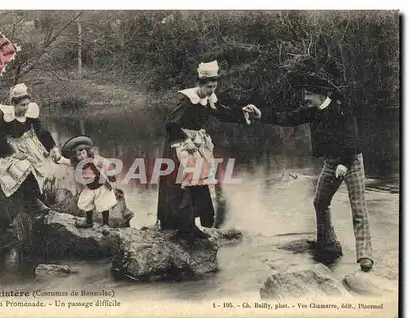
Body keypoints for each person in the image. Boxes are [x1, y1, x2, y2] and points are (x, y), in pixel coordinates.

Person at [244, 72, 374, 272]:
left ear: (320, 95)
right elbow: (287, 118)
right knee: (320, 202)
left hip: (351, 160)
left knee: (358, 208)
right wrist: (261, 115)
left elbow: (351, 138)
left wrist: (345, 164)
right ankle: (327, 243)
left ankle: (365, 256)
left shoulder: (342, 109)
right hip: (331, 162)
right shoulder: (312, 110)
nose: (304, 98)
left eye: (307, 94)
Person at [157, 60, 251, 242]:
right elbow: (171, 124)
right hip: (180, 146)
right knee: (184, 184)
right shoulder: (188, 100)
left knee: (199, 181)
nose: (212, 90)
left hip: (195, 145)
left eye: (214, 86)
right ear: (200, 84)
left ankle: (197, 223)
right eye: (208, 87)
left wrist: (242, 111)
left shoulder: (209, 99)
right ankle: (185, 226)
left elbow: (223, 113)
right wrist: (186, 140)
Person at [0, 83, 62, 235]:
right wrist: (14, 153)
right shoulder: (6, 116)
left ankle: (33, 203)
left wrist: (53, 148)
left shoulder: (30, 114)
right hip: (8, 153)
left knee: (37, 168)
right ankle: (3, 220)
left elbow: (41, 132)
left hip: (26, 149)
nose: (26, 108)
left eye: (27, 104)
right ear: (14, 104)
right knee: (20, 173)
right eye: (22, 105)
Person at [56, 136, 118, 228]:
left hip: (102, 186)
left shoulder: (95, 159)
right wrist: (59, 159)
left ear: (87, 151)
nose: (82, 156)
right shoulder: (77, 164)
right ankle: (89, 221)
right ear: (75, 157)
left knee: (104, 204)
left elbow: (106, 163)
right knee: (85, 202)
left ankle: (106, 224)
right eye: (78, 155)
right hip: (90, 188)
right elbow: (67, 161)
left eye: (83, 153)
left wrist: (110, 174)